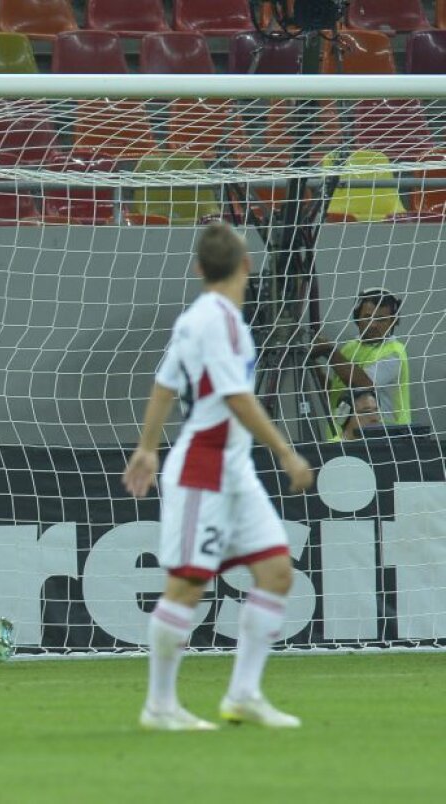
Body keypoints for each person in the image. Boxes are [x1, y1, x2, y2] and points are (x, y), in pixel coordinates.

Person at [122, 222, 315, 731]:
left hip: (233, 468)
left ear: (199, 268)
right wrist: (286, 452)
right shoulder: (221, 322)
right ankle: (160, 705)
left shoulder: (200, 317)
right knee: (187, 584)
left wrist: (146, 447)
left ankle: (244, 694)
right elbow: (236, 397)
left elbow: (164, 384)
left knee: (276, 572)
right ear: (247, 264)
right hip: (203, 467)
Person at [311, 287, 410, 435]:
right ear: (357, 318)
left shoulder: (394, 352)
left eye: (381, 319)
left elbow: (364, 386)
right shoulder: (349, 348)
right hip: (343, 439)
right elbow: (338, 395)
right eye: (367, 317)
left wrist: (329, 351)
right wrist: (314, 367)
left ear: (393, 322)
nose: (373, 324)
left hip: (386, 440)